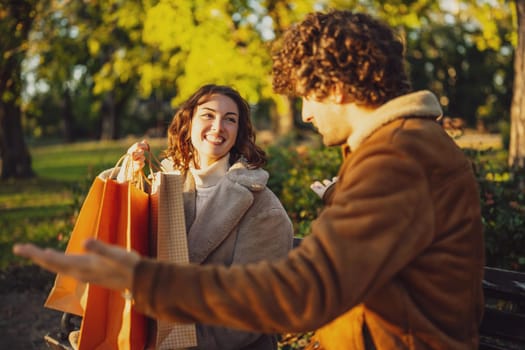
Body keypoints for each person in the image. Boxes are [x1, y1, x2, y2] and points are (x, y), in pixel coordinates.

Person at [14, 10, 485, 350]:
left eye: (307, 97)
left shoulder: (397, 158)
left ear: (337, 89)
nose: (304, 112)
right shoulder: (401, 149)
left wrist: (143, 279)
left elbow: (303, 290)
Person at [85, 84, 295, 350]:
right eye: (208, 115)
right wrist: (130, 173)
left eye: (229, 119)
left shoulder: (264, 210)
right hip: (145, 335)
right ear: (188, 122)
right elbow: (117, 222)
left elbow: (251, 311)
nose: (218, 127)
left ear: (238, 132)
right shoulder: (166, 186)